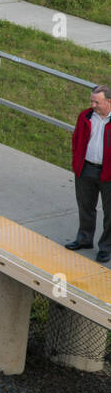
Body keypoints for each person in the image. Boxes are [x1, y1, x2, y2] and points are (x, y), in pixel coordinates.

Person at [66, 85, 111, 261]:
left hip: (108, 174)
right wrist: (77, 161)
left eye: (96, 102)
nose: (92, 105)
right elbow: (76, 138)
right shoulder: (85, 116)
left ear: (108, 101)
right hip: (86, 169)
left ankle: (106, 247)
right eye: (91, 100)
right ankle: (84, 239)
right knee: (85, 206)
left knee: (110, 213)